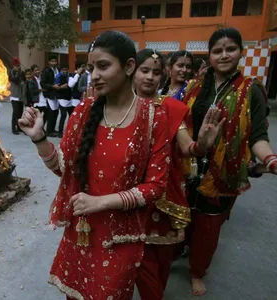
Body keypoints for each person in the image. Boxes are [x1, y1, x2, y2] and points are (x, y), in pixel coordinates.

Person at [19, 30, 171, 300]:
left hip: (121, 237)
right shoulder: (84, 111)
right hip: (82, 231)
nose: (95, 75)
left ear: (128, 67)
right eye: (91, 68)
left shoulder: (154, 118)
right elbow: (63, 168)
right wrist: (39, 138)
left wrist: (101, 202)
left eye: (103, 66)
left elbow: (156, 186)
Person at [182, 27, 277, 296]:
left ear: (240, 52)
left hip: (223, 173)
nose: (224, 55)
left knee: (209, 226)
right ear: (209, 56)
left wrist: (269, 159)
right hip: (189, 164)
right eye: (217, 50)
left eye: (230, 49)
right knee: (185, 217)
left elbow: (257, 135)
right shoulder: (194, 87)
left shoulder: (251, 91)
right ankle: (186, 251)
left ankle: (197, 271)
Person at [133, 49, 225, 300]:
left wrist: (202, 144)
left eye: (156, 72)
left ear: (163, 75)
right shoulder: (118, 106)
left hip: (163, 194)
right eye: (144, 71)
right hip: (123, 194)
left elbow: (187, 147)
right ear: (132, 71)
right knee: (129, 257)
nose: (150, 77)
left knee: (158, 260)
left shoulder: (172, 107)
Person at [41, 55, 60, 137]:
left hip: (57, 94)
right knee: (51, 113)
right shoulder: (46, 71)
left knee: (56, 112)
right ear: (49, 62)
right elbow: (43, 83)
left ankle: (52, 129)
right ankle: (49, 131)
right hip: (50, 94)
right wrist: (52, 86)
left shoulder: (57, 69)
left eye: (55, 61)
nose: (54, 63)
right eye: (52, 61)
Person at [55, 66, 73, 138]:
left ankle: (69, 131)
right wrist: (64, 86)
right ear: (61, 70)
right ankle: (60, 132)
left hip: (69, 99)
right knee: (63, 115)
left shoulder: (70, 76)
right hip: (62, 98)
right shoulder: (59, 77)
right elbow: (58, 87)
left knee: (71, 116)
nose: (65, 71)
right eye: (63, 70)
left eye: (66, 70)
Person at [9, 57, 25, 135]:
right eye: (16, 65)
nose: (18, 67)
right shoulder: (11, 72)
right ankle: (13, 128)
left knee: (20, 112)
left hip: (21, 95)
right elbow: (14, 80)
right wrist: (18, 72)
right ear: (13, 66)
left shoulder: (22, 72)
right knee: (15, 112)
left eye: (19, 65)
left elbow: (24, 80)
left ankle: (19, 127)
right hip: (14, 95)